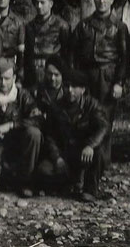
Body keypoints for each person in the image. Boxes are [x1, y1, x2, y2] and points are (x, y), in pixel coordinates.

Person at [70, 0, 128, 168]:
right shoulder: (84, 24)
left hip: (107, 76)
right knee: (84, 116)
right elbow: (73, 53)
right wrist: (75, 79)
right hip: (86, 75)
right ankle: (83, 162)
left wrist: (119, 82)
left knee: (104, 118)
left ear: (112, 0)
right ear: (93, 0)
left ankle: (102, 163)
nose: (101, 1)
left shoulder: (119, 26)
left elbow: (125, 58)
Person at [37, 69, 109, 202]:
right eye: (67, 86)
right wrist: (57, 157)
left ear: (83, 89)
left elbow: (103, 127)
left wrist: (90, 145)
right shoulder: (56, 107)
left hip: (84, 152)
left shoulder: (92, 105)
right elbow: (50, 135)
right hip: (65, 153)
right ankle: (69, 182)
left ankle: (90, 189)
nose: (70, 90)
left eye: (75, 87)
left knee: (99, 153)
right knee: (44, 170)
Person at [0, 59, 43, 197]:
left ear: (14, 78)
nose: (3, 83)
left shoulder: (22, 96)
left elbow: (37, 119)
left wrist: (12, 125)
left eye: (7, 79)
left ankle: (26, 182)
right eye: (0, 78)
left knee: (34, 133)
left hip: (18, 142)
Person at [24, 0, 70, 88]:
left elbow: (67, 53)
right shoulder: (29, 26)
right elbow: (27, 52)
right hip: (33, 72)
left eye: (42, 3)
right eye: (37, 3)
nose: (39, 6)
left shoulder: (62, 25)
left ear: (51, 4)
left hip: (53, 71)